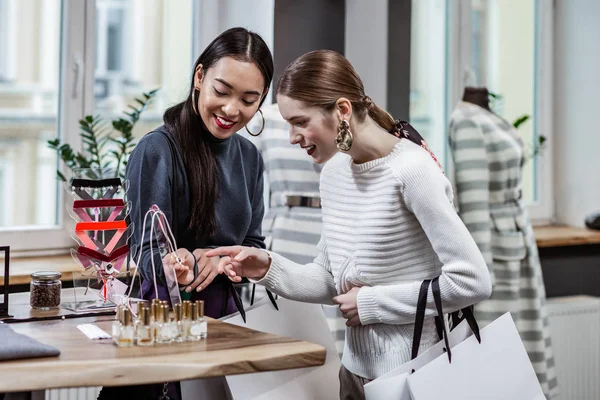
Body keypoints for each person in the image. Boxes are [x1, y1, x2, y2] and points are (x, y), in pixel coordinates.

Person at [205, 50, 492, 400]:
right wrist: (266, 267)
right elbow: (330, 280)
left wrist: (371, 303)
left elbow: (472, 280)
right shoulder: (334, 174)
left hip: (414, 372)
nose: (293, 137)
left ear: (342, 110)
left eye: (300, 121)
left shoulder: (411, 171)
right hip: (353, 373)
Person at [101, 27, 273, 400]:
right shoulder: (157, 150)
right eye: (222, 91)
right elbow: (146, 253)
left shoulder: (250, 159)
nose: (231, 110)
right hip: (165, 325)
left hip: (227, 323)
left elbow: (254, 244)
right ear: (199, 77)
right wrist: (174, 263)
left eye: (248, 99)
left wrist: (226, 259)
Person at [448, 87, 558, 398]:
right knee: (503, 349)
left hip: (514, 248)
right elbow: (474, 203)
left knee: (524, 348)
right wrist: (480, 276)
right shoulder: (466, 121)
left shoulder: (482, 116)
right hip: (496, 256)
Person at [242, 103, 347, 357]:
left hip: (335, 226)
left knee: (333, 333)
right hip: (284, 227)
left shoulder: (343, 117)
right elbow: (243, 177)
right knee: (280, 326)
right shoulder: (264, 119)